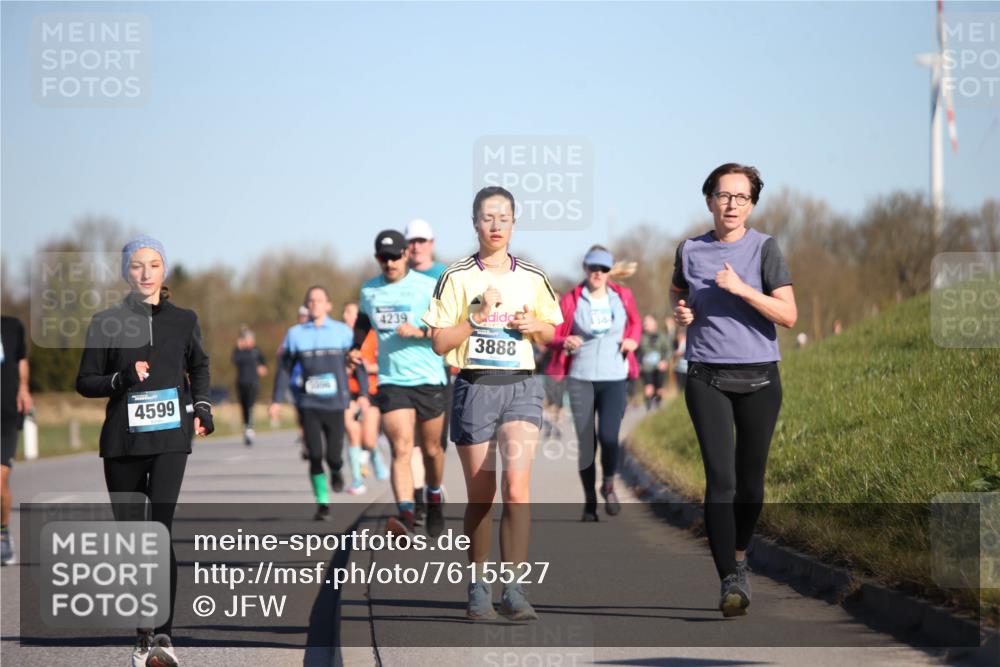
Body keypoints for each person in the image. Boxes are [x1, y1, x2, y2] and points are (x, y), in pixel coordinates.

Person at [423, 186, 562, 621]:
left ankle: (514, 589)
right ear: (475, 223)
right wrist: (475, 319)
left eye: (504, 217)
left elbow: (552, 333)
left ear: (514, 223)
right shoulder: (457, 275)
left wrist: (533, 323)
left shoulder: (533, 277)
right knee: (482, 494)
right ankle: (478, 584)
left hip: (520, 387)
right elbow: (439, 343)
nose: (496, 225)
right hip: (474, 387)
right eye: (488, 217)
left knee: (517, 489)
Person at [77, 236, 215, 666]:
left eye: (154, 264)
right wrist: (121, 379)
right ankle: (143, 630)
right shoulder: (106, 322)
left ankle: (163, 636)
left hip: (171, 440)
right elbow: (85, 381)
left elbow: (200, 365)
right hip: (123, 443)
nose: (146, 272)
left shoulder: (183, 319)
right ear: (126, 272)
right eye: (137, 265)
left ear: (164, 271)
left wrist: (203, 408)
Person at [670, 163, 796, 618]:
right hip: (706, 376)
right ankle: (729, 579)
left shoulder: (766, 249)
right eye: (724, 195)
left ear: (752, 204)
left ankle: (741, 555)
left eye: (741, 197)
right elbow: (677, 292)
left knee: (751, 485)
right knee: (720, 480)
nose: (731, 204)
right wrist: (682, 312)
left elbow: (788, 315)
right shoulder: (689, 249)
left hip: (761, 378)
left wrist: (742, 289)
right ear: (709, 200)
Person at [354, 230, 448, 536]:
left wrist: (419, 333)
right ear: (376, 259)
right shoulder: (369, 291)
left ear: (406, 254)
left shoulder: (426, 287)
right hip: (392, 381)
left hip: (429, 378)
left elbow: (446, 330)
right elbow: (363, 323)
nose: (389, 262)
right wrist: (353, 349)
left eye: (395, 256)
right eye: (383, 258)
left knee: (432, 450)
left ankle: (433, 496)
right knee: (402, 448)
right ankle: (406, 516)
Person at [546, 245, 641, 521]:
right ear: (585, 269)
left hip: (614, 378)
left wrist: (632, 339)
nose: (598, 273)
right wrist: (564, 341)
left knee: (609, 437)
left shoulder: (622, 296)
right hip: (581, 378)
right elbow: (550, 335)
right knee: (587, 445)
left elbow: (634, 323)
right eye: (593, 268)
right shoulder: (572, 299)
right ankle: (589, 503)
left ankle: (608, 483)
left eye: (603, 268)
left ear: (610, 271)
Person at [269, 286, 368, 521]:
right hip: (308, 403)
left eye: (320, 300)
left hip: (335, 403)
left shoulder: (342, 332)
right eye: (311, 301)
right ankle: (322, 504)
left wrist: (363, 393)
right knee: (315, 454)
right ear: (307, 305)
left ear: (329, 305)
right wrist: (276, 400)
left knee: (333, 455)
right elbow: (284, 369)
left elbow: (359, 364)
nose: (315, 304)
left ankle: (336, 469)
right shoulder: (295, 334)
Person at [405, 218, 451, 521]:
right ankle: (418, 499)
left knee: (433, 445)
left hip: (439, 369)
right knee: (409, 443)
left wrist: (420, 333)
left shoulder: (445, 276)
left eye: (422, 241)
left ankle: (433, 489)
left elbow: (456, 322)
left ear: (431, 244)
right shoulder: (396, 277)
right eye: (412, 241)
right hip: (403, 373)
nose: (416, 246)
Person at [341, 301, 388, 494]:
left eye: (351, 312)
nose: (347, 316)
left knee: (368, 440)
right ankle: (357, 480)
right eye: (345, 312)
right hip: (348, 392)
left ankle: (375, 456)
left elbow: (385, 363)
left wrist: (370, 368)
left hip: (371, 391)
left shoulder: (373, 336)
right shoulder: (339, 337)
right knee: (352, 433)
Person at [1, 315, 33, 566]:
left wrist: (24, 389)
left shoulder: (12, 326)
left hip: (6, 412)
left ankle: (2, 533)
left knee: (0, 477)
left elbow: (21, 360)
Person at [231, 326, 267, 445]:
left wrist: (262, 368)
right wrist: (238, 347)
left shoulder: (256, 350)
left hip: (253, 382)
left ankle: (250, 428)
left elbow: (263, 361)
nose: (250, 341)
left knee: (251, 405)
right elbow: (234, 361)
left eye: (251, 339)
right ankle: (246, 427)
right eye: (247, 339)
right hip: (241, 383)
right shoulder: (239, 351)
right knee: (244, 406)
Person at [637, 315, 672, 410]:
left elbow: (668, 350)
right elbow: (636, 353)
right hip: (646, 368)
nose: (645, 324)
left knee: (659, 390)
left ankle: (658, 407)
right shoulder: (640, 337)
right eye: (644, 322)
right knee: (648, 388)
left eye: (648, 322)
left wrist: (665, 361)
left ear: (654, 323)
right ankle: (648, 409)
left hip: (659, 367)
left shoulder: (662, 336)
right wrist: (638, 364)